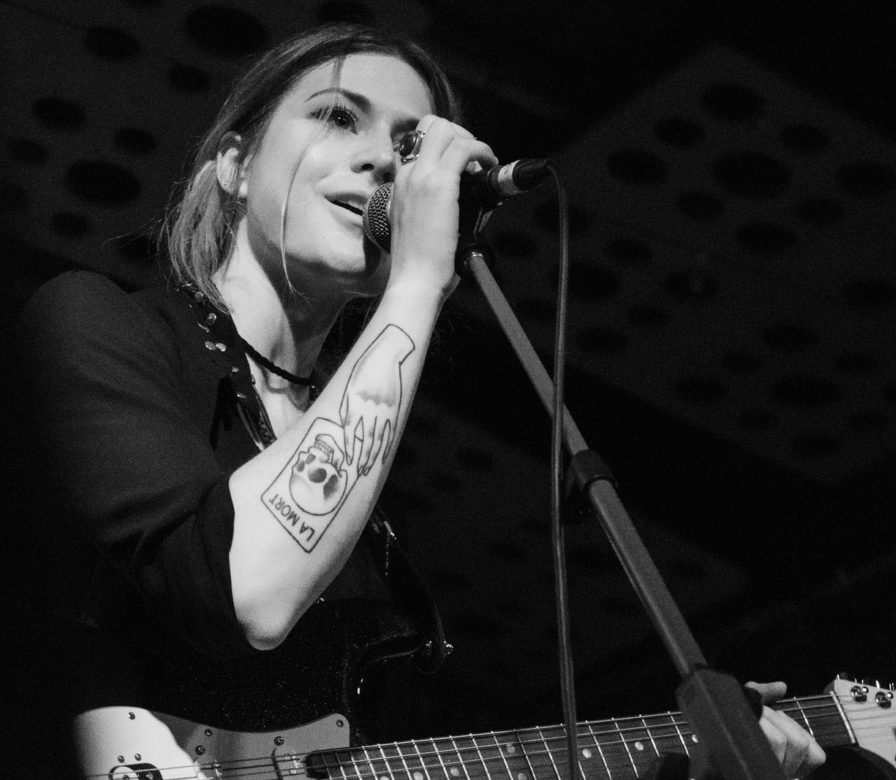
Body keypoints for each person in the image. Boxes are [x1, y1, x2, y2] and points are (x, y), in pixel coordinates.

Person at [14, 22, 825, 779]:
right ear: (234, 163)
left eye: (408, 147)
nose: (382, 165)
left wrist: (696, 753)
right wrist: (417, 280)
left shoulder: (366, 475)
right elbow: (245, 592)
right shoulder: (98, 321)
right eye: (337, 117)